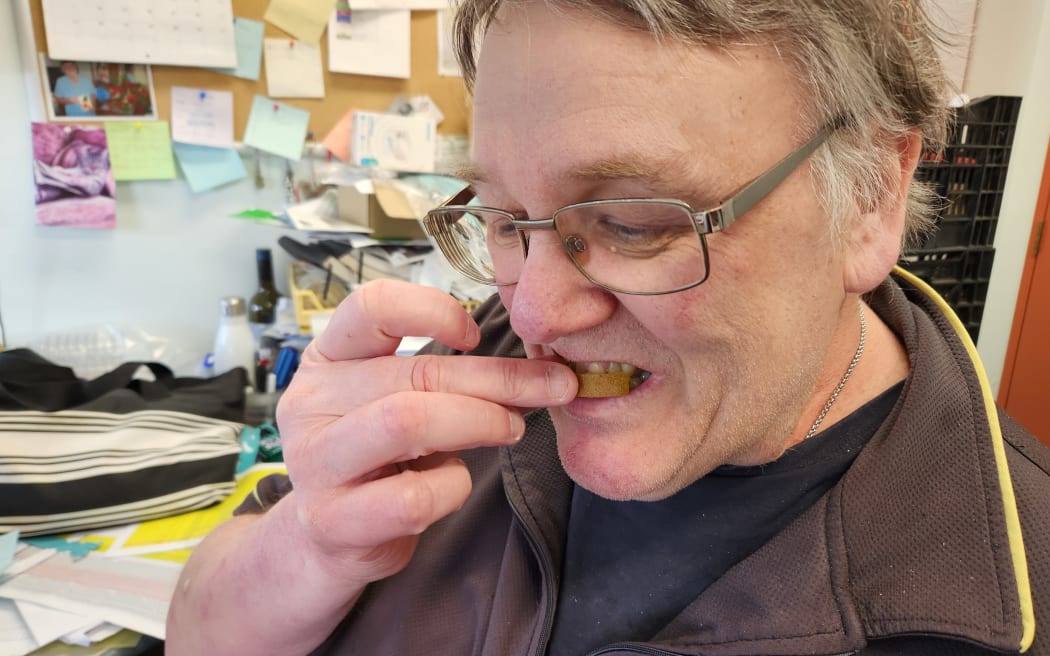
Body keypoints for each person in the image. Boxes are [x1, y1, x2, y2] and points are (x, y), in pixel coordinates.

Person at [167, 0, 1050, 653]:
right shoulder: (469, 371)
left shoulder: (1010, 592)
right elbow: (197, 632)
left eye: (633, 224)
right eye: (505, 219)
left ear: (871, 199)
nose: (533, 312)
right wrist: (311, 543)